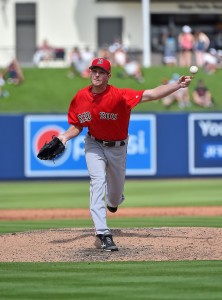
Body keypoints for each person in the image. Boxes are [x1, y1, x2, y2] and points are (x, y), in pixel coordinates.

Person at [57, 57, 192, 251]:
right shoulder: (80, 97)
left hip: (118, 148)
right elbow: (77, 125)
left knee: (114, 195)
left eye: (101, 72)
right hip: (94, 144)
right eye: (94, 70)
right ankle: (103, 233)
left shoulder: (120, 96)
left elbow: (151, 94)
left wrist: (177, 85)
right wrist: (64, 137)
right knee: (97, 182)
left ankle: (114, 202)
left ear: (108, 76)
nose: (96, 74)